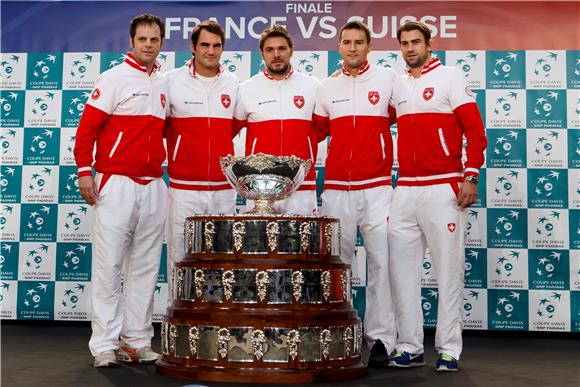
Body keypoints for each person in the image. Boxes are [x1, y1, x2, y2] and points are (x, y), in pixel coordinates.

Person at [387, 20, 487, 372]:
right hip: (405, 189)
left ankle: (448, 349)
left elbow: (475, 131)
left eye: (416, 42)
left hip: (444, 186)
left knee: (449, 273)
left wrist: (470, 174)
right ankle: (409, 346)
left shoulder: (450, 77)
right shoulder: (395, 85)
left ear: (429, 44)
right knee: (401, 274)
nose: (410, 48)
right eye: (404, 43)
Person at [74, 13, 168, 368]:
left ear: (161, 43)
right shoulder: (112, 78)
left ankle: (137, 341)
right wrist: (86, 172)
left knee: (144, 269)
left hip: (153, 184)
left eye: (154, 39)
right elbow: (86, 132)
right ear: (131, 42)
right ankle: (104, 345)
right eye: (142, 39)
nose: (148, 45)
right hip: (116, 183)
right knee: (109, 267)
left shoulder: (163, 83)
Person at [313, 21, 398, 367]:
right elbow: (315, 133)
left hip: (377, 187)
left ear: (369, 46)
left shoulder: (387, 80)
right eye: (346, 42)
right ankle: (338, 331)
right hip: (336, 190)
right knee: (337, 266)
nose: (351, 48)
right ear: (339, 47)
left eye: (358, 42)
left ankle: (380, 337)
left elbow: (404, 119)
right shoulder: (325, 87)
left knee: (382, 262)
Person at [164, 20, 238, 298]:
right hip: (184, 187)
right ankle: (178, 316)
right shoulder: (170, 81)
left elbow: (232, 127)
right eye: (205, 45)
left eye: (217, 45)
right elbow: (160, 127)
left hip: (222, 189)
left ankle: (216, 319)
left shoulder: (232, 83)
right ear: (193, 47)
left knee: (222, 258)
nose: (211, 51)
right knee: (180, 256)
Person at [234, 25, 318, 215]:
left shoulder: (312, 85)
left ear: (291, 51)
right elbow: (228, 130)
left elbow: (322, 129)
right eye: (269, 50)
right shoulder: (246, 89)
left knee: (302, 245)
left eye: (281, 48)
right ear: (262, 53)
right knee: (259, 245)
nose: (276, 54)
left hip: (300, 186)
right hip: (259, 188)